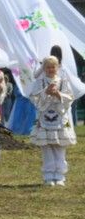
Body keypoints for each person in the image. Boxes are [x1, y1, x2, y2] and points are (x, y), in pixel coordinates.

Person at [27, 56, 77, 186]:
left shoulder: (63, 81)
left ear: (57, 67)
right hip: (44, 119)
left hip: (60, 119)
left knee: (60, 146)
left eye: (53, 67)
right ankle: (48, 176)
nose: (50, 69)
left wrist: (58, 94)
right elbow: (33, 97)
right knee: (47, 146)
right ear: (44, 68)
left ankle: (60, 175)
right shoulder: (40, 82)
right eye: (48, 67)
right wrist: (46, 92)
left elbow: (70, 98)